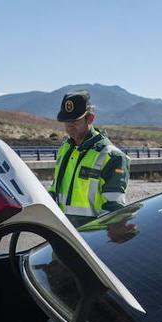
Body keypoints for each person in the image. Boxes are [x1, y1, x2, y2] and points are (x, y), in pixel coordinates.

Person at [51, 90, 130, 227]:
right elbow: (55, 187)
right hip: (62, 231)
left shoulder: (112, 157)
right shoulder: (65, 149)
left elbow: (114, 208)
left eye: (75, 120)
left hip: (90, 237)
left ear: (90, 118)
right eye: (66, 121)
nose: (69, 126)